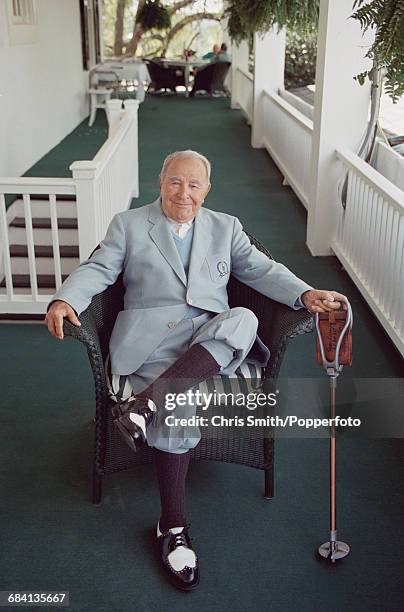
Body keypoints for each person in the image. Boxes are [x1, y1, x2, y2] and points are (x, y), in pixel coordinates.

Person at [45, 150, 348, 591]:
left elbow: (262, 271)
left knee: (245, 317)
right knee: (181, 401)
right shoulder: (128, 224)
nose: (183, 193)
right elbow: (98, 269)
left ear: (207, 189)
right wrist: (66, 299)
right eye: (174, 182)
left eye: (193, 185)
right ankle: (173, 527)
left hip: (210, 339)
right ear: (160, 182)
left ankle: (144, 406)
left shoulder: (226, 227)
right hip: (150, 342)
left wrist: (304, 294)